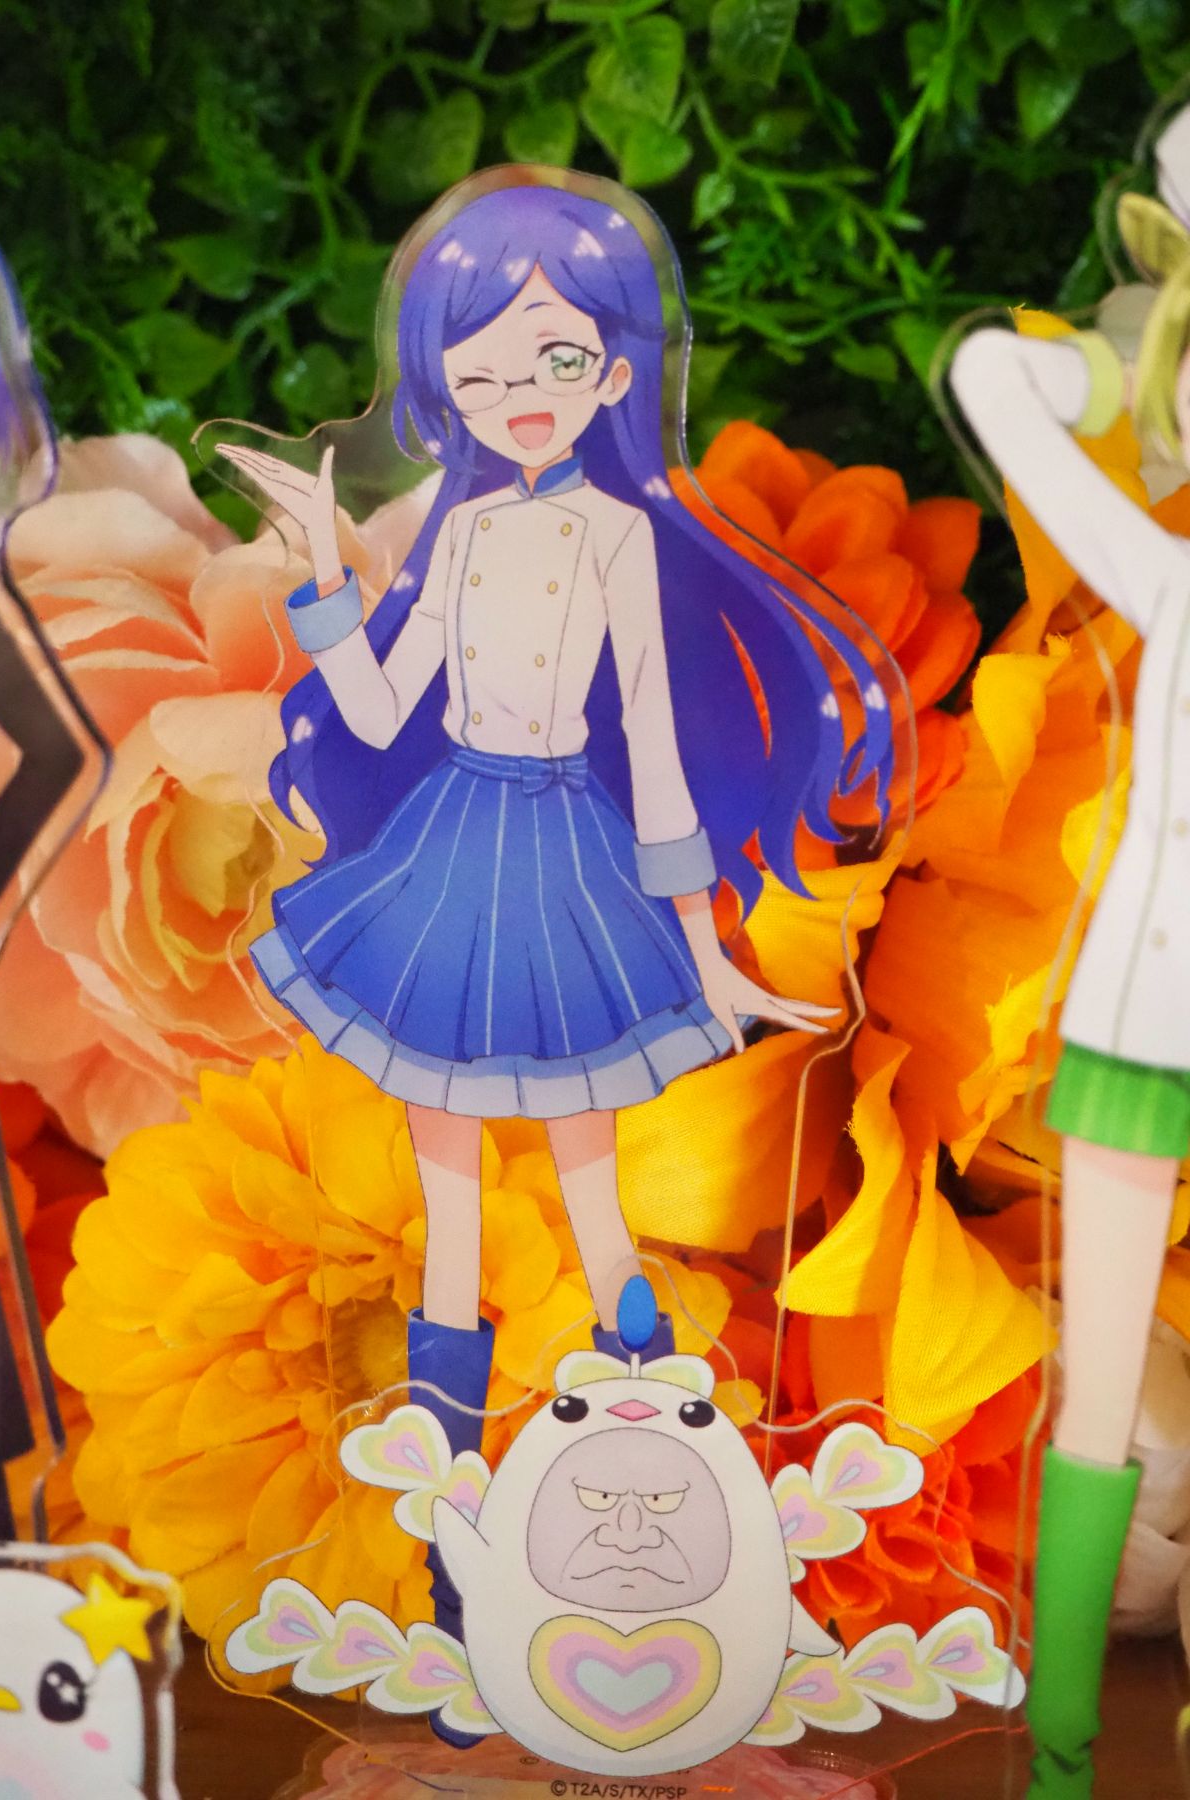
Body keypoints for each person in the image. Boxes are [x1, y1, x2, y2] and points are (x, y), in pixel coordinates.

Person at [219, 175, 895, 1680]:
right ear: (442, 388)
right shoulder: (461, 534)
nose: (520, 395)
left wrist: (703, 950)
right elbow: (380, 709)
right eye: (481, 373)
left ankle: (668, 1555)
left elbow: (650, 731)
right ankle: (452, 1584)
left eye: (561, 359)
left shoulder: (616, 538)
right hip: (451, 857)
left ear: (616, 370)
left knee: (599, 1220)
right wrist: (325, 573)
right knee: (450, 1227)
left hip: (570, 859)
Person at [950, 115, 1190, 1800]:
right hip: (1143, 1015)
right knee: (1095, 1399)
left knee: (1103, 1397)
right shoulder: (1165, 577)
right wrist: (1110, 379)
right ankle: (1057, 1759)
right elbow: (985, 375)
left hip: (1141, 1007)